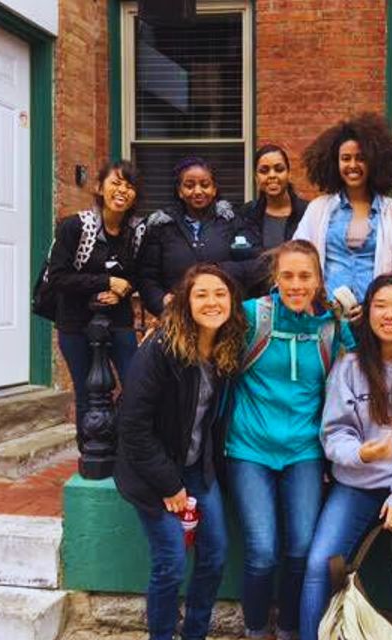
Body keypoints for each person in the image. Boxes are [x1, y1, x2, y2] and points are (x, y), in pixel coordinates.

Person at [300, 274, 392, 640]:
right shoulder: (349, 366)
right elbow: (333, 433)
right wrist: (361, 452)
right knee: (320, 564)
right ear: (368, 312)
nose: (389, 314)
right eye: (381, 306)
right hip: (357, 484)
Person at [225, 240, 355, 640]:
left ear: (319, 280)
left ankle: (288, 629)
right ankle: (255, 628)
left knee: (300, 550)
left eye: (305, 277)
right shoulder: (252, 317)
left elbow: (368, 368)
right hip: (249, 448)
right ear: (275, 279)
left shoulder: (332, 328)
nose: (296, 285)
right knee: (263, 552)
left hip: (304, 450)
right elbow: (207, 341)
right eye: (288, 276)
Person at [114, 264, 248, 640]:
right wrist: (170, 485)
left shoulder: (226, 348)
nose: (212, 302)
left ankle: (195, 633)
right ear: (186, 302)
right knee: (171, 561)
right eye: (201, 294)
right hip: (152, 472)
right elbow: (133, 426)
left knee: (215, 554)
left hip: (198, 469)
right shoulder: (160, 349)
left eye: (220, 294)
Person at [47, 159, 144, 425]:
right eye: (116, 183)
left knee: (134, 384)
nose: (122, 190)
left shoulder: (137, 231)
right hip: (75, 321)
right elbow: (58, 277)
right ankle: (91, 462)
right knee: (88, 393)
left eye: (129, 186)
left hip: (119, 319)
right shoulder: (75, 227)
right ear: (100, 188)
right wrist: (106, 282)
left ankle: (124, 450)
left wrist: (123, 291)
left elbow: (139, 274)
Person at [294, 113, 392, 308]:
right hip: (325, 316)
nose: (352, 165)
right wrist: (314, 302)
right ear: (334, 163)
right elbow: (298, 259)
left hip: (374, 320)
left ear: (374, 162)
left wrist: (384, 306)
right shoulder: (318, 209)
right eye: (346, 158)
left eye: (360, 158)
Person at [139, 157, 252, 316]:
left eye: (205, 185)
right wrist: (161, 302)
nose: (198, 191)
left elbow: (252, 263)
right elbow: (147, 276)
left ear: (214, 189)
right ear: (179, 191)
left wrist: (222, 269)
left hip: (224, 316)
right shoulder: (162, 226)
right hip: (178, 317)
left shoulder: (232, 221)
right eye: (189, 186)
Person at [233, 144, 310, 297]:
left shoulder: (308, 213)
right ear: (256, 177)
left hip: (299, 297)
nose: (271, 175)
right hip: (257, 301)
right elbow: (240, 256)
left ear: (289, 174)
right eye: (264, 170)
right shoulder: (246, 214)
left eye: (279, 169)